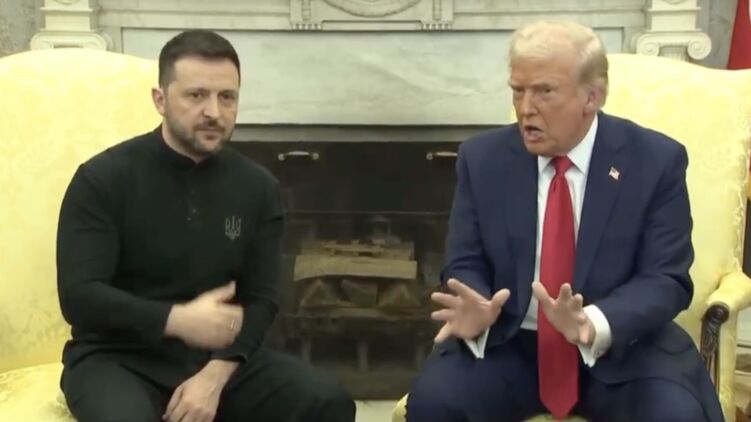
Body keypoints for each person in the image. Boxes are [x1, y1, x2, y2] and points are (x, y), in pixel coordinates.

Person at [406, 20, 723, 422]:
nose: (525, 108)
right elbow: (465, 260)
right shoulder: (482, 158)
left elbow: (666, 279)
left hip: (624, 348)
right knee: (435, 403)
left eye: (544, 91)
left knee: (675, 415)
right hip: (510, 342)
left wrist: (594, 322)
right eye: (518, 91)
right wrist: (480, 303)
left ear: (592, 96)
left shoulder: (655, 160)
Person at [56, 29, 355, 422]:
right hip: (115, 359)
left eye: (227, 97)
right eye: (196, 95)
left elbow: (263, 299)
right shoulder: (102, 179)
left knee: (327, 401)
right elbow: (80, 297)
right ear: (160, 100)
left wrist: (216, 374)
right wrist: (176, 320)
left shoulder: (257, 187)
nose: (214, 111)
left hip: (219, 361)